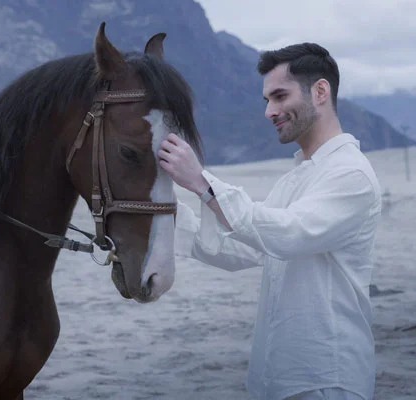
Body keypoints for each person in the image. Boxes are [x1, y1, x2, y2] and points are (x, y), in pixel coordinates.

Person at [158, 43, 381, 400]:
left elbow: (288, 234)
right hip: (278, 376)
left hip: (326, 378)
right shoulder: (297, 177)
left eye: (279, 96)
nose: (269, 111)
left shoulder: (350, 174)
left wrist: (202, 183)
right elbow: (242, 249)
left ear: (320, 91)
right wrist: (159, 214)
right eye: (267, 100)